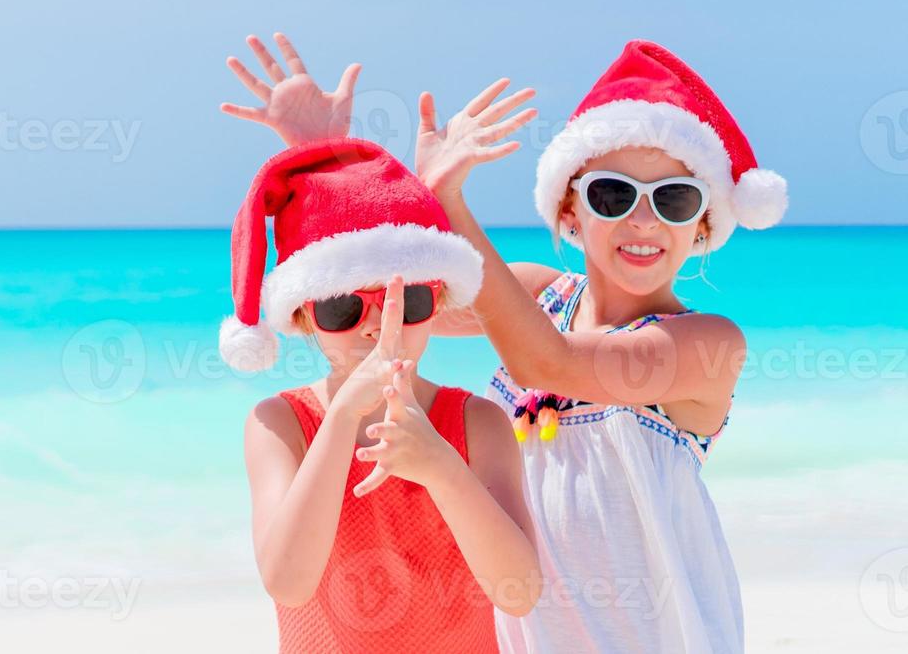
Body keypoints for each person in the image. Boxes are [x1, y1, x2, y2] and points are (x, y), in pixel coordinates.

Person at [223, 35, 788, 653]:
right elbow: (390, 297)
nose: (643, 220)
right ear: (570, 210)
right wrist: (323, 162)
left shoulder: (705, 343)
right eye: (613, 194)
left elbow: (549, 361)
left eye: (674, 200)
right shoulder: (536, 298)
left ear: (704, 224)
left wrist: (449, 200)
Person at [225, 138, 539, 652]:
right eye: (344, 308)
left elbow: (520, 592)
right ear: (305, 317)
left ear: (438, 301)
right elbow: (288, 581)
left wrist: (441, 466)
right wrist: (344, 414)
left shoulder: (478, 423)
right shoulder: (280, 424)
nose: (378, 327)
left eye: (407, 300)